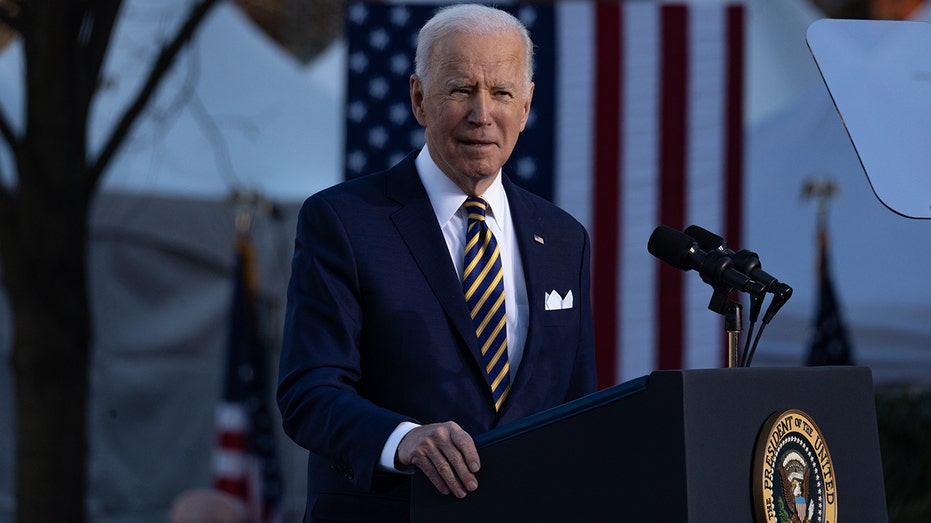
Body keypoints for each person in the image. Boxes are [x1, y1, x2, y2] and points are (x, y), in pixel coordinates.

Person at [277, 4, 597, 521]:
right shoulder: (344, 221)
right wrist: (403, 441)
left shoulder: (563, 239)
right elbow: (308, 392)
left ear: (527, 105)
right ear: (419, 99)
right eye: (460, 90)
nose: (481, 114)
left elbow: (582, 409)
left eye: (501, 93)